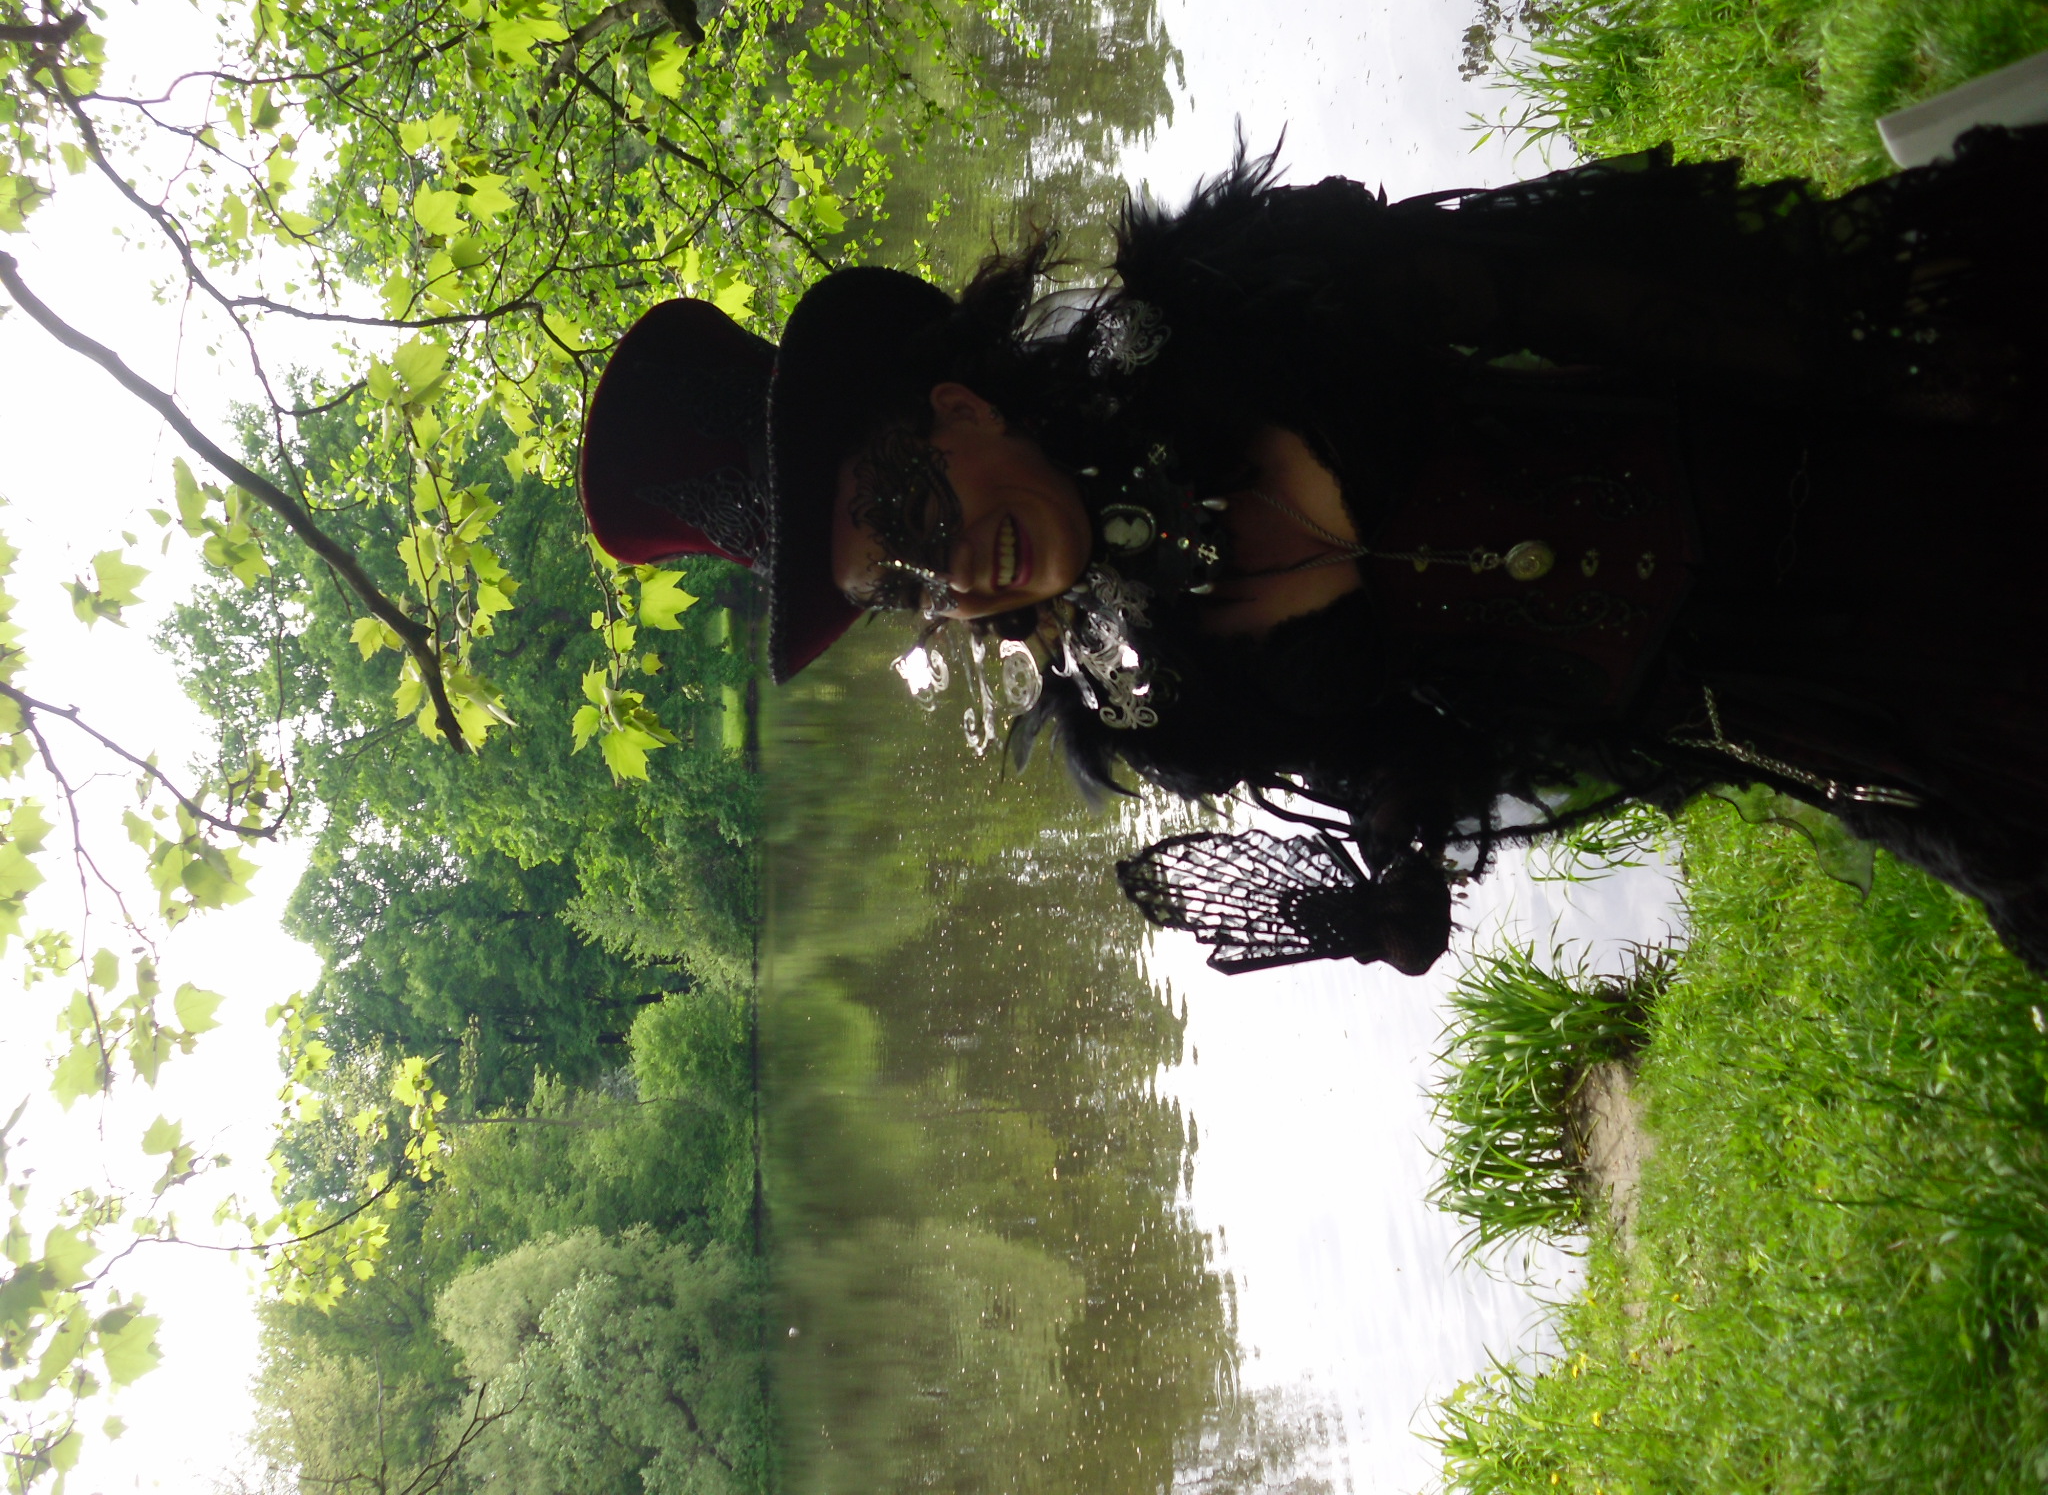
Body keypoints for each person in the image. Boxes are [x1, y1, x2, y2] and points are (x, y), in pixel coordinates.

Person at [578, 128, 2048, 978]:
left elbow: (1564, 285)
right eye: (898, 590)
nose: (951, 578)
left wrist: (1868, 372)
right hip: (1813, 697)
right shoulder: (1157, 697)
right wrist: (1390, 871)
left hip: (1836, 436)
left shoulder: (1232, 305)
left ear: (955, 409)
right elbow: (1401, 747)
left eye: (908, 516)